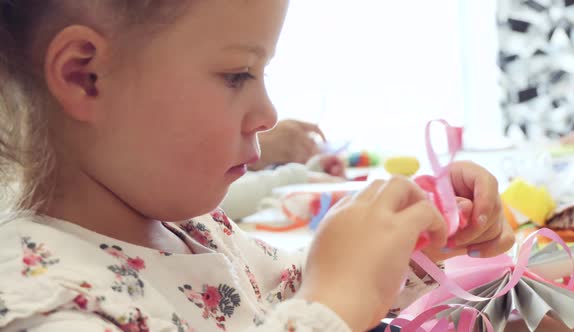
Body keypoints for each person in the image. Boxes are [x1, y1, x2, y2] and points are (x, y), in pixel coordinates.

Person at [0, 1, 514, 331]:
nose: (268, 114)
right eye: (236, 74)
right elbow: (317, 305)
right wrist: (329, 306)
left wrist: (411, 245)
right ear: (86, 76)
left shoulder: (195, 230)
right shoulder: (45, 304)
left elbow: (294, 294)